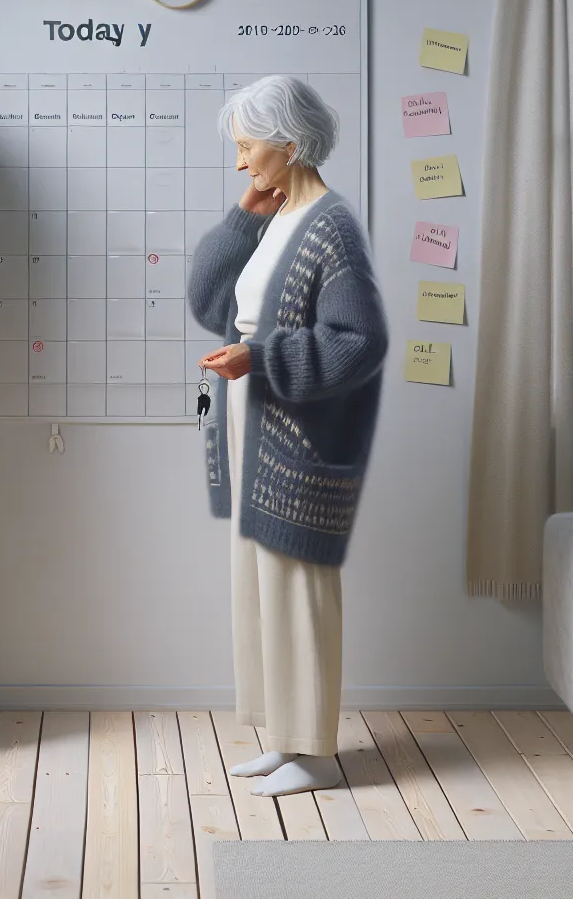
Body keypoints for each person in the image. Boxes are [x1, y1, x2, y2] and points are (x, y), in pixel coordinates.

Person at [189, 75, 388, 797]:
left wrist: (260, 357)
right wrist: (244, 218)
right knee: (258, 580)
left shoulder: (329, 226)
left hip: (297, 430)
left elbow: (358, 339)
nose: (241, 163)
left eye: (247, 149)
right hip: (254, 416)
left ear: (290, 144)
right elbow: (210, 301)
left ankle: (314, 752)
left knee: (298, 583)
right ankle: (283, 737)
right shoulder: (278, 216)